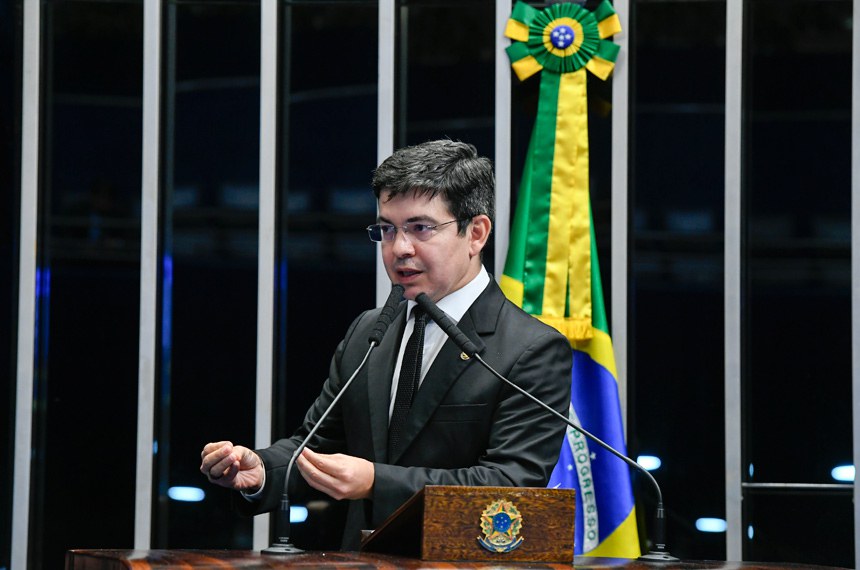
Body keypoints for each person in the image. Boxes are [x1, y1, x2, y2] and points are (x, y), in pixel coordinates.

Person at [200, 139, 572, 550]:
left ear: (476, 233)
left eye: (420, 228)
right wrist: (261, 472)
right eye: (387, 229)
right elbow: (317, 446)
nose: (399, 249)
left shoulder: (531, 349)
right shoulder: (368, 331)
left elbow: (510, 487)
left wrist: (377, 481)